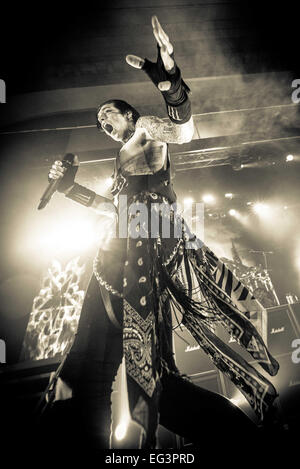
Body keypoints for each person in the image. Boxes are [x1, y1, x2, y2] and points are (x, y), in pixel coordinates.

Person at [44, 16, 280, 450]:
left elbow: (186, 132)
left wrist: (169, 79)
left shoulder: (147, 130)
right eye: (98, 121)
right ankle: (240, 440)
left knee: (104, 375)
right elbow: (109, 208)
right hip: (120, 256)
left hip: (135, 262)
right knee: (144, 380)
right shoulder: (122, 160)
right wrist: (67, 188)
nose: (102, 122)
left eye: (107, 114)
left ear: (129, 113)